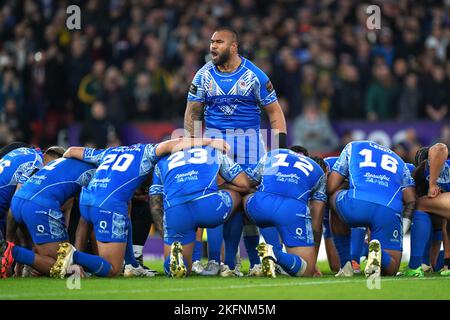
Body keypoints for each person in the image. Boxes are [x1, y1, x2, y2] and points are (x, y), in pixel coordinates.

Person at [184, 26, 287, 276]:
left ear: (233, 46)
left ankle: (264, 261)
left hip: (251, 149)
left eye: (218, 42)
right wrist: (194, 147)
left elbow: (275, 114)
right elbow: (192, 114)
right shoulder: (203, 76)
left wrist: (279, 152)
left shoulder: (255, 76)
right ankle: (225, 263)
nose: (212, 47)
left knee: (253, 204)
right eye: (211, 42)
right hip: (217, 149)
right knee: (222, 202)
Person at [48, 137, 229, 278]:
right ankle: (73, 257)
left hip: (87, 199)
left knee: (126, 208)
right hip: (108, 205)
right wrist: (210, 141)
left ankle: (131, 264)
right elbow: (176, 143)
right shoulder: (147, 152)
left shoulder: (109, 152)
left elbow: (71, 151)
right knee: (112, 269)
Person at [149, 145, 251, 277]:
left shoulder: (161, 162)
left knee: (184, 266)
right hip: (209, 206)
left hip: (177, 211)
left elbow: (155, 203)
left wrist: (167, 235)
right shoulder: (213, 152)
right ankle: (229, 265)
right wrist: (221, 186)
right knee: (237, 196)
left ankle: (174, 261)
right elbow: (244, 184)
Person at [327, 141, 416, 277]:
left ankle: (346, 265)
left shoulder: (353, 146)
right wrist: (403, 228)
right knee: (391, 268)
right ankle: (377, 253)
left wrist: (347, 184)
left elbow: (331, 186)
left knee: (333, 197)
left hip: (357, 204)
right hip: (388, 210)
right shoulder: (399, 161)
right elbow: (410, 200)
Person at [0, 156, 96, 277]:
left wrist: (9, 239)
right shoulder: (97, 174)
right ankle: (11, 252)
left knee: (47, 254)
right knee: (65, 266)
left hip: (18, 201)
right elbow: (85, 223)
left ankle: (14, 257)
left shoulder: (60, 165)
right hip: (38, 205)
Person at [243, 147, 327, 278]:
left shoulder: (274, 153)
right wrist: (312, 259)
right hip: (292, 210)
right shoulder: (319, 171)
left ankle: (235, 263)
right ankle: (275, 254)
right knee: (306, 271)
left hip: (261, 205)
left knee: (246, 195)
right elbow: (316, 221)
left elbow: (246, 182)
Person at [413, 143, 450, 276]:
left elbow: (440, 148)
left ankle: (420, 262)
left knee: (420, 205)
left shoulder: (434, 165)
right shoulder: (421, 175)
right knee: (440, 215)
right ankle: (434, 264)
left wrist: (432, 183)